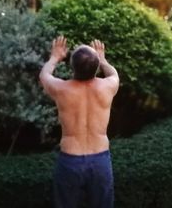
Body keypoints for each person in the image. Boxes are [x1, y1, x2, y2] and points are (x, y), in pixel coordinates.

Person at [39, 36, 119, 208]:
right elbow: (114, 73)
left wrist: (54, 57)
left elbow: (44, 75)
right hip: (100, 161)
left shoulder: (61, 90)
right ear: (96, 67)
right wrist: (103, 59)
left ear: (72, 67)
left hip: (70, 161)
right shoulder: (108, 87)